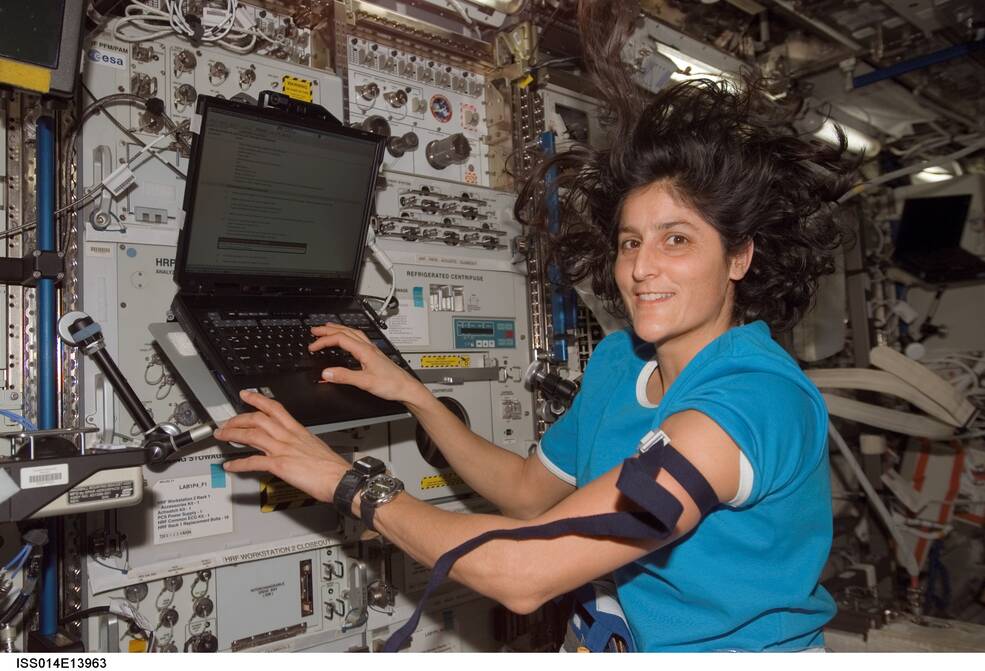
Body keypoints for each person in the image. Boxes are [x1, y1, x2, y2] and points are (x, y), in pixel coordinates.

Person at [215, 0, 858, 651]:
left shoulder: (749, 403)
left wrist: (344, 481)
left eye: (677, 240)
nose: (640, 268)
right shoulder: (620, 362)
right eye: (630, 241)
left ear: (739, 256)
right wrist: (414, 395)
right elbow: (527, 494)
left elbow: (524, 569)